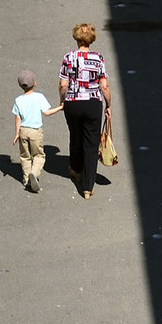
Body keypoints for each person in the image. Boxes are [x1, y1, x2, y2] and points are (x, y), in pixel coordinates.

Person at [60, 23, 113, 199]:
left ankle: (75, 169)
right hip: (92, 103)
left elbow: (63, 84)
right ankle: (87, 186)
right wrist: (108, 105)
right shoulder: (99, 59)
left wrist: (62, 100)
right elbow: (104, 86)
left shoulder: (68, 57)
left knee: (75, 136)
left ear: (76, 38)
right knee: (91, 144)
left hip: (73, 102)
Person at [11, 71, 62, 194]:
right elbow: (47, 112)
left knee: (25, 156)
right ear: (35, 83)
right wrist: (60, 107)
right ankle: (34, 173)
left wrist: (17, 133)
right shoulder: (39, 97)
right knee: (39, 155)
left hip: (23, 130)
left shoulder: (18, 100)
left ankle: (26, 178)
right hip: (35, 131)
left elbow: (17, 118)